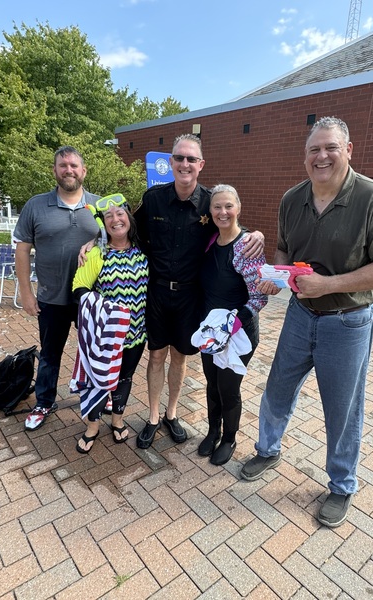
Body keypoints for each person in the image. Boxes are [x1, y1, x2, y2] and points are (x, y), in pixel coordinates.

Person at [240, 117, 373, 528]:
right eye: (314, 149)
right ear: (306, 156)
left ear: (348, 150)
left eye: (330, 147)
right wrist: (277, 276)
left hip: (347, 322)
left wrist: (328, 283)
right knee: (278, 387)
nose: (322, 156)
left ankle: (341, 484)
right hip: (300, 314)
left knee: (342, 408)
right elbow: (283, 248)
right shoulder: (292, 198)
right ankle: (267, 448)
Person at [132, 133, 265, 449]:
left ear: (201, 164)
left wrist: (254, 233)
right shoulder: (153, 199)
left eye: (191, 158)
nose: (185, 164)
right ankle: (152, 417)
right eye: (179, 157)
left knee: (180, 357)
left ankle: (171, 414)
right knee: (155, 356)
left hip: (192, 297)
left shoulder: (209, 201)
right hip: (158, 293)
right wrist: (92, 243)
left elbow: (229, 223)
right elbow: (125, 231)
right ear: (171, 162)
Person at [14, 146, 99, 431]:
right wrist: (26, 292)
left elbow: (120, 240)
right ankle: (44, 401)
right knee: (50, 353)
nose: (69, 170)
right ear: (54, 170)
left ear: (83, 171)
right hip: (51, 296)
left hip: (91, 298)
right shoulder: (36, 205)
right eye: (63, 165)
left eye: (74, 165)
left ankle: (98, 397)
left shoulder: (100, 206)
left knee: (94, 351)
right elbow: (22, 250)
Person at [193, 184, 268, 465]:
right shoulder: (211, 240)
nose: (223, 212)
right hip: (210, 333)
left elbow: (258, 298)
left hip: (238, 335)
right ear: (210, 211)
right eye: (217, 207)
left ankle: (229, 438)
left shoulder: (247, 246)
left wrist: (231, 326)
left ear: (238, 208)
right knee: (211, 383)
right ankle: (213, 431)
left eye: (228, 206)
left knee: (228, 387)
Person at [71, 193, 149, 453]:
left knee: (124, 378)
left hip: (136, 333)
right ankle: (92, 426)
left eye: (120, 213)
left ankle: (117, 419)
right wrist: (104, 310)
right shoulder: (96, 253)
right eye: (108, 216)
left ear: (129, 217)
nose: (115, 219)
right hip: (104, 336)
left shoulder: (143, 249)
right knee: (97, 380)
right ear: (103, 224)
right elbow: (79, 287)